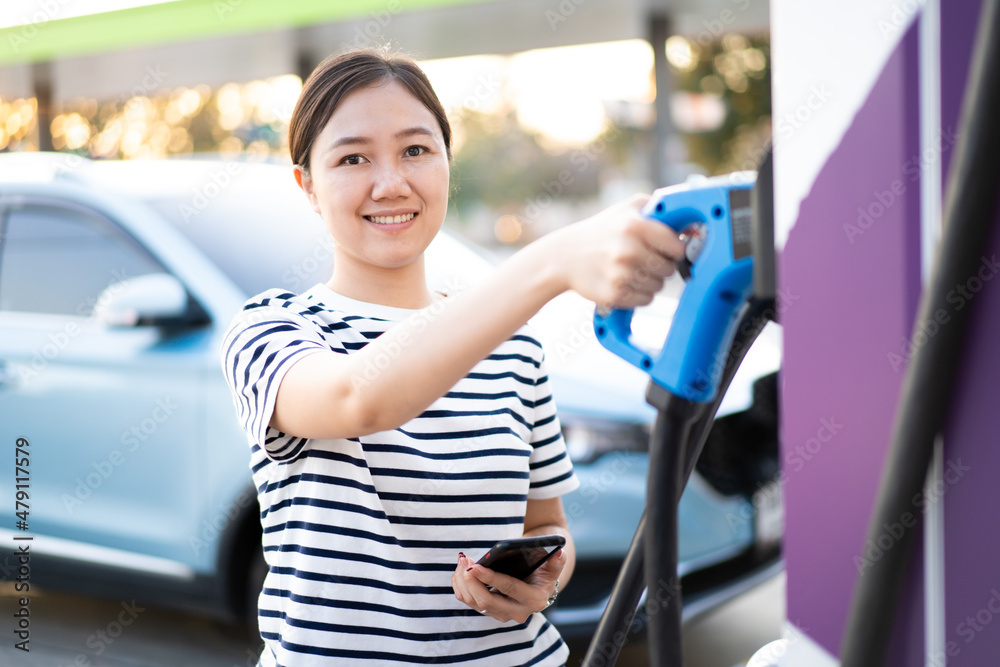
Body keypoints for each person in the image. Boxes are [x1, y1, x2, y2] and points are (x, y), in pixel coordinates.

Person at [221, 47, 683, 667]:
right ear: (308, 185)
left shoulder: (514, 346)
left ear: (445, 163)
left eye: (416, 150)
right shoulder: (271, 329)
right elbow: (359, 398)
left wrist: (541, 580)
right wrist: (550, 263)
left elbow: (549, 527)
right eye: (353, 158)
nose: (391, 183)